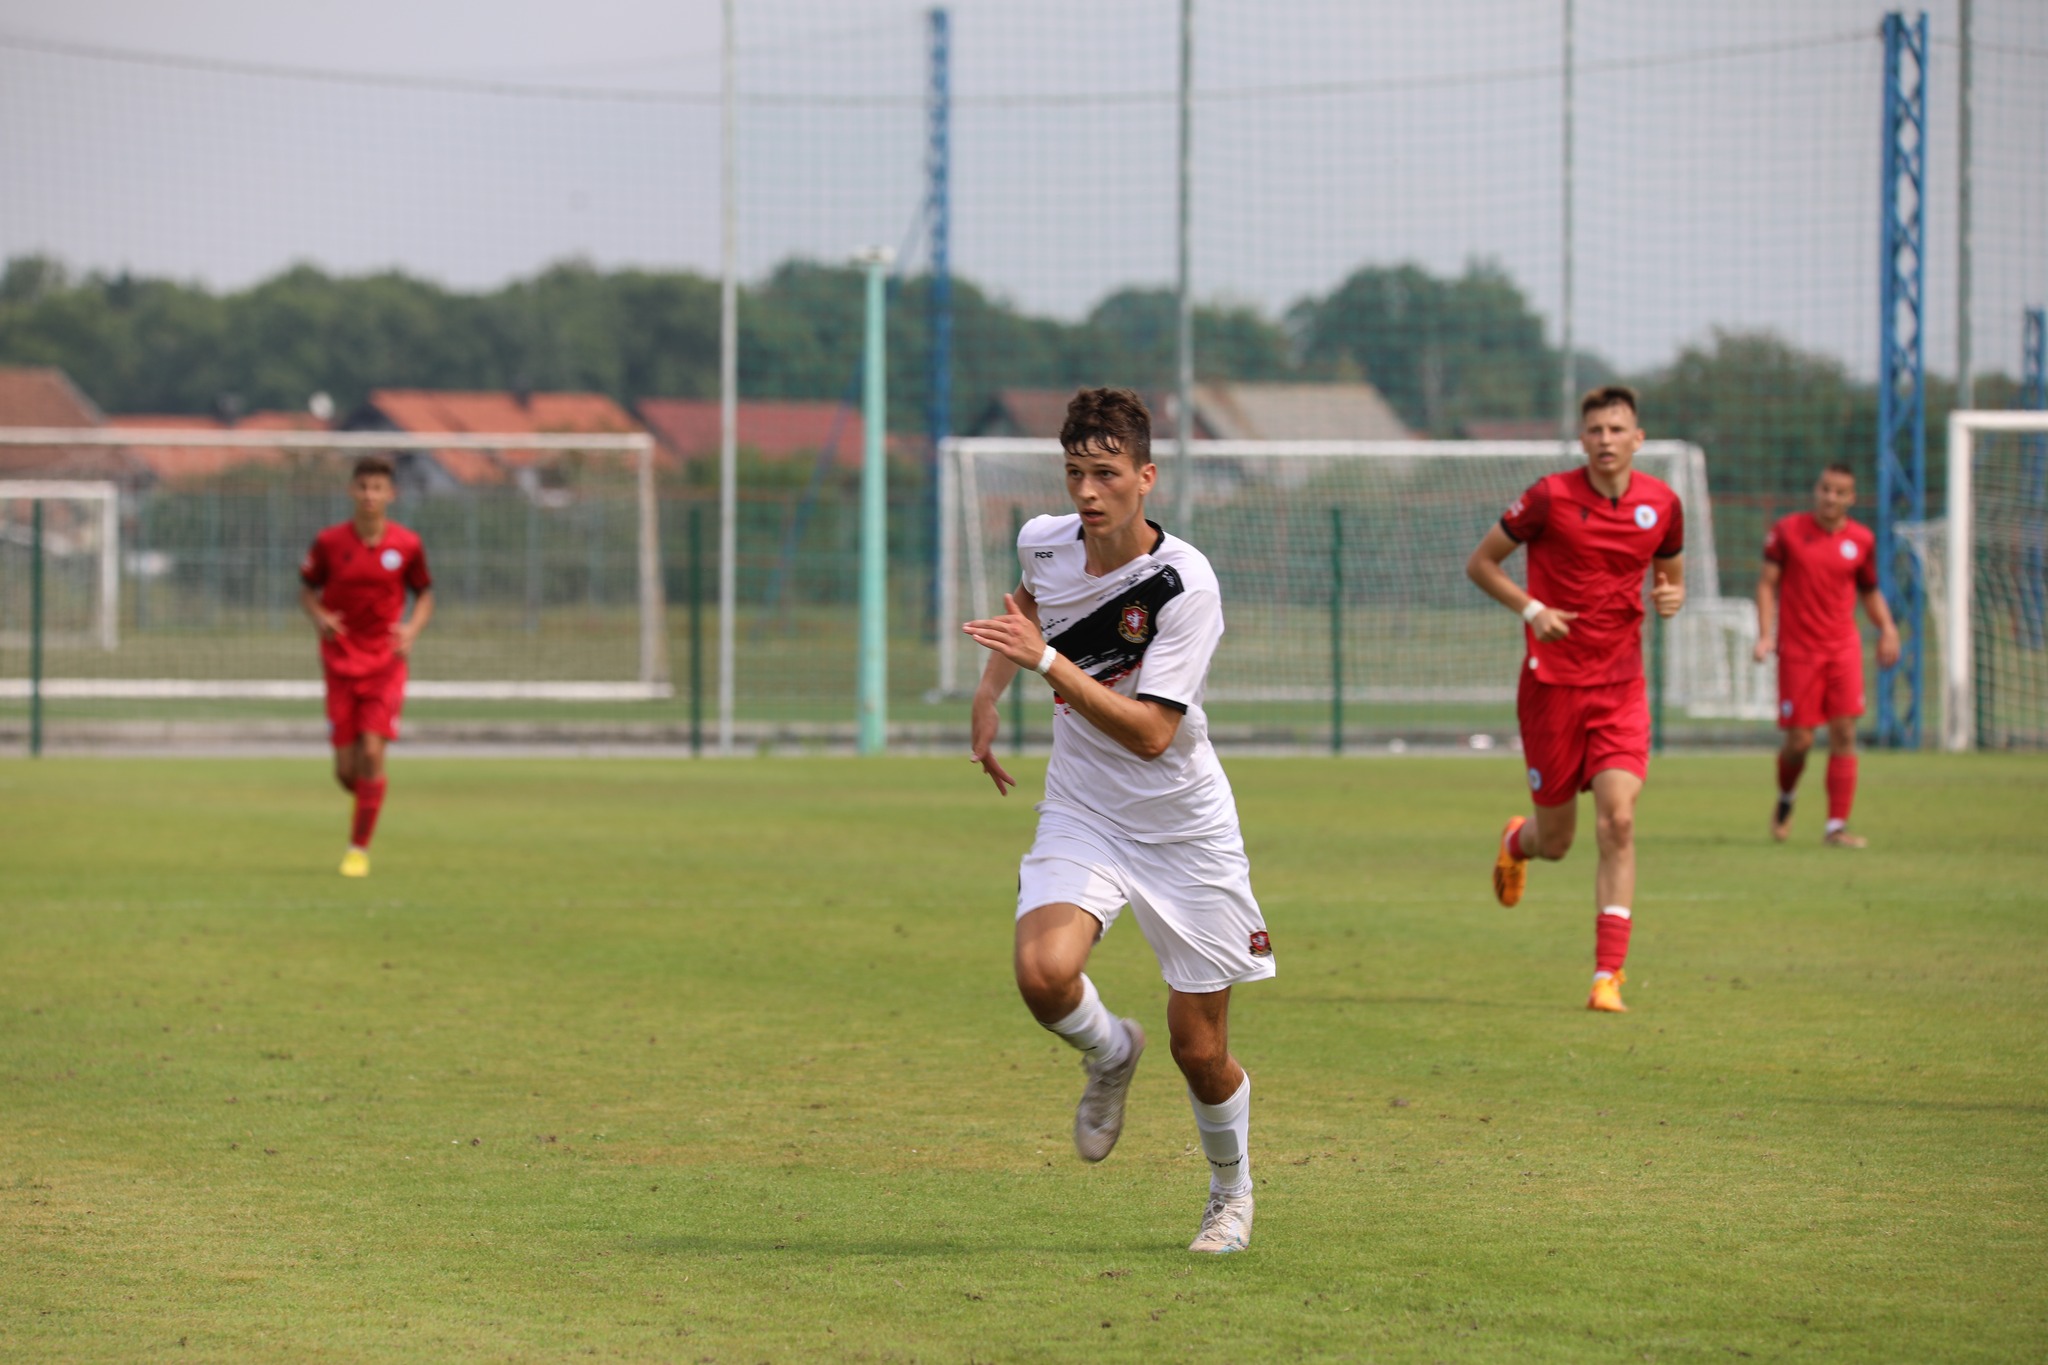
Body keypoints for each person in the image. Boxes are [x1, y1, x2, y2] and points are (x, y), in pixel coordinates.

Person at [963, 387, 1273, 1254]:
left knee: (1199, 1048)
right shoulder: (1045, 540)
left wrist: (1049, 665)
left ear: (1146, 477)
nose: (1087, 492)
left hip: (1182, 825)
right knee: (1042, 973)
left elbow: (1151, 733)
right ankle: (1107, 1052)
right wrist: (989, 697)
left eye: (1105, 473)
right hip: (1085, 808)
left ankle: (1229, 1189)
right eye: (1074, 472)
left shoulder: (1184, 582)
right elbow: (1024, 605)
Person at [1466, 386, 1685, 1013]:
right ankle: (1518, 841)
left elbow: (1672, 578)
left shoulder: (1663, 504)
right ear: (1583, 440)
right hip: (1552, 690)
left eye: (1618, 429)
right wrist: (1532, 609)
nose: (1607, 439)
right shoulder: (1550, 497)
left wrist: (1672, 598)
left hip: (1621, 688)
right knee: (1558, 840)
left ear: (1637, 439)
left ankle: (1606, 976)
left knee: (1618, 820)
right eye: (1595, 430)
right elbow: (1482, 564)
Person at [299, 455, 434, 878]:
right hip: (339, 663)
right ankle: (372, 798)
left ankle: (358, 849)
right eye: (363, 487)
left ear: (391, 494)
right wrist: (319, 614)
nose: (370, 495)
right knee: (346, 770)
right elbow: (306, 588)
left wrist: (412, 628)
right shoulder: (329, 542)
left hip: (385, 664)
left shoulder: (407, 545)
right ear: (351, 491)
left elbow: (425, 593)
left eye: (378, 488)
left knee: (373, 752)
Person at [1752, 463, 1901, 847]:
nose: (1830, 497)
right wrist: (1765, 635)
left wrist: (1887, 628)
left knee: (1844, 732)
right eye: (1825, 489)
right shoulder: (1787, 531)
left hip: (1843, 649)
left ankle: (1836, 826)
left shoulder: (1862, 540)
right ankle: (1786, 798)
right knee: (1800, 741)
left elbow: (1869, 591)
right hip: (1798, 651)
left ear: (1851, 498)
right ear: (1815, 490)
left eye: (1839, 492)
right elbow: (1768, 585)